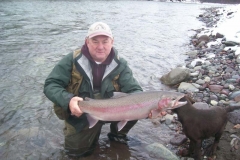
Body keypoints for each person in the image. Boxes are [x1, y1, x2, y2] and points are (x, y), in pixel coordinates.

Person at [43, 22, 143, 157]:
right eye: (95, 41)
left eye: (105, 41)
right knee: (76, 153)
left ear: (112, 41)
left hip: (114, 111)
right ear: (87, 42)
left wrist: (150, 107)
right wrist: (69, 101)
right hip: (81, 114)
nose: (100, 47)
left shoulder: (121, 64)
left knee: (139, 106)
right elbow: (51, 84)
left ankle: (117, 135)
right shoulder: (72, 60)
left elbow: (135, 90)